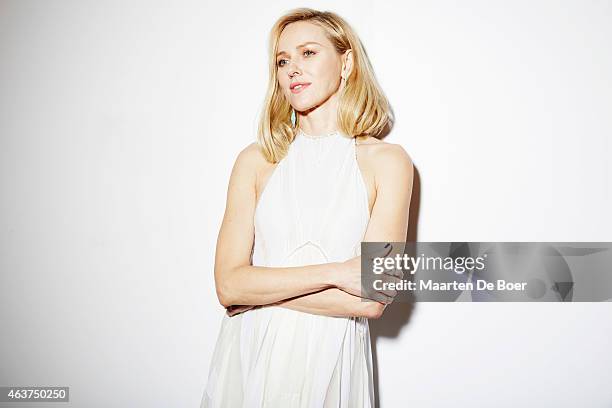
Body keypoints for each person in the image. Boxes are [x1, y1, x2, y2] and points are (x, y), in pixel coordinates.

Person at [201, 7, 413, 408]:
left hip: (332, 358)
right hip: (251, 352)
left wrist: (256, 290)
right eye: (283, 61)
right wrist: (336, 273)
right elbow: (227, 286)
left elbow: (372, 297)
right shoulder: (256, 160)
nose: (292, 69)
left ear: (346, 62)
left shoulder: (387, 161)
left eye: (308, 53)